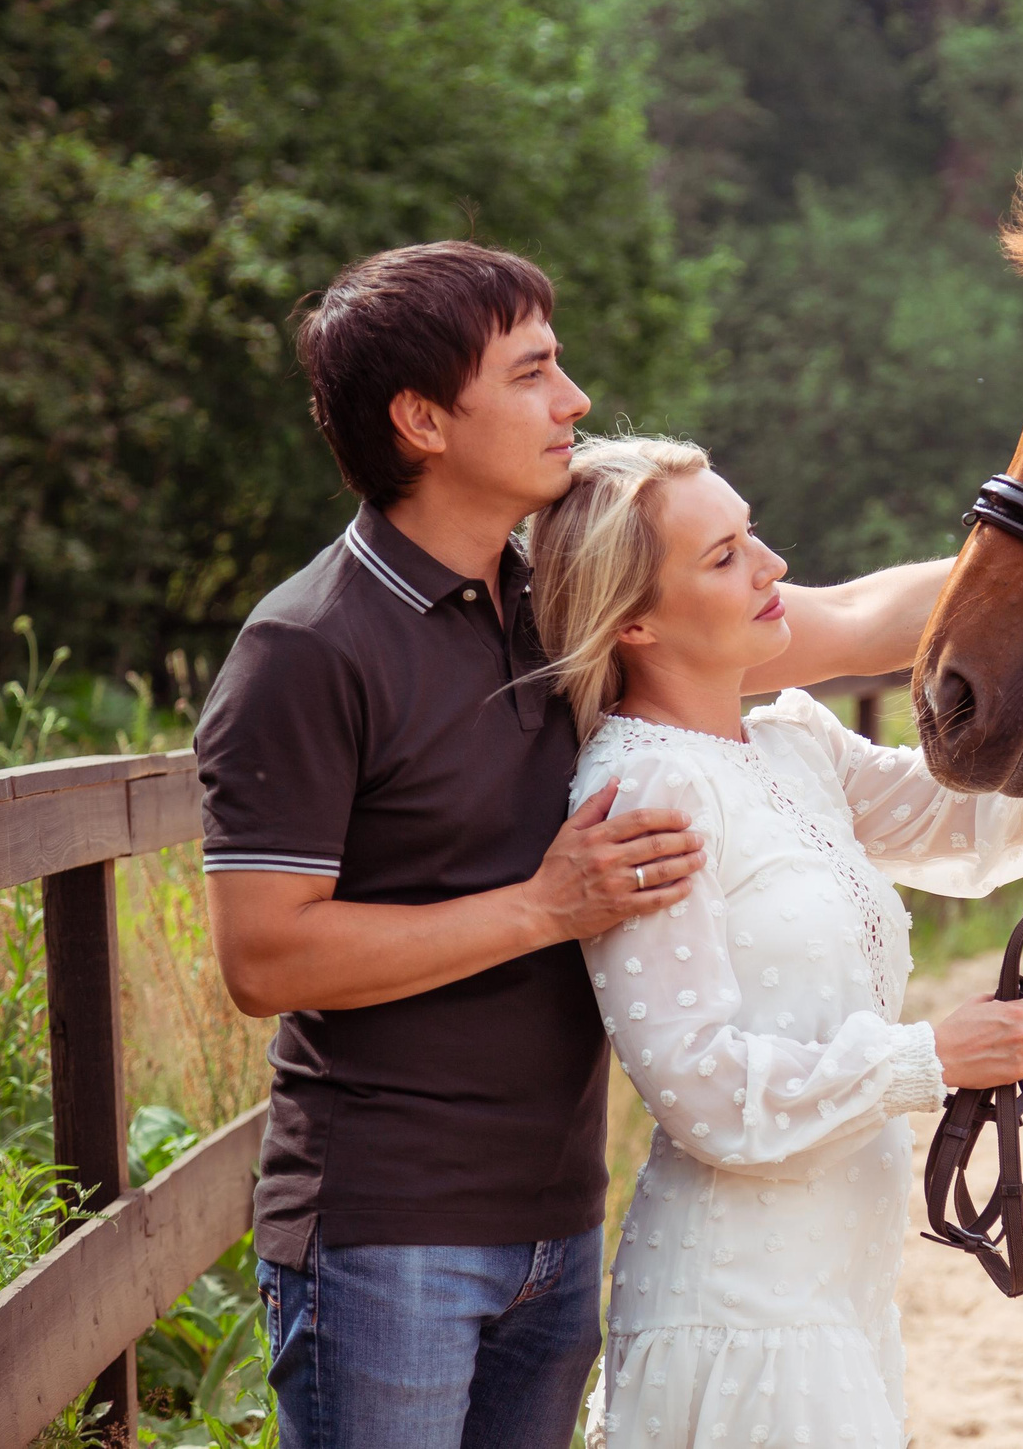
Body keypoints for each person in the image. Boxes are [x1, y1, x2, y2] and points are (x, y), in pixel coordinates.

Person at [197, 241, 952, 1449]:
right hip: (390, 1233)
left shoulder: (558, 605)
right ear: (423, 419)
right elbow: (265, 961)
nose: (575, 401)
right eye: (534, 372)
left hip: (560, 1220)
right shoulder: (308, 648)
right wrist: (545, 907)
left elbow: (859, 619)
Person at [528, 435, 1023, 1449]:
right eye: (724, 556)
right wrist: (930, 1057)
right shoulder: (648, 789)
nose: (772, 566)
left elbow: (980, 827)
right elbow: (698, 1086)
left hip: (837, 1290)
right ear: (637, 622)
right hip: (743, 1308)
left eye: (752, 538)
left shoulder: (792, 745)